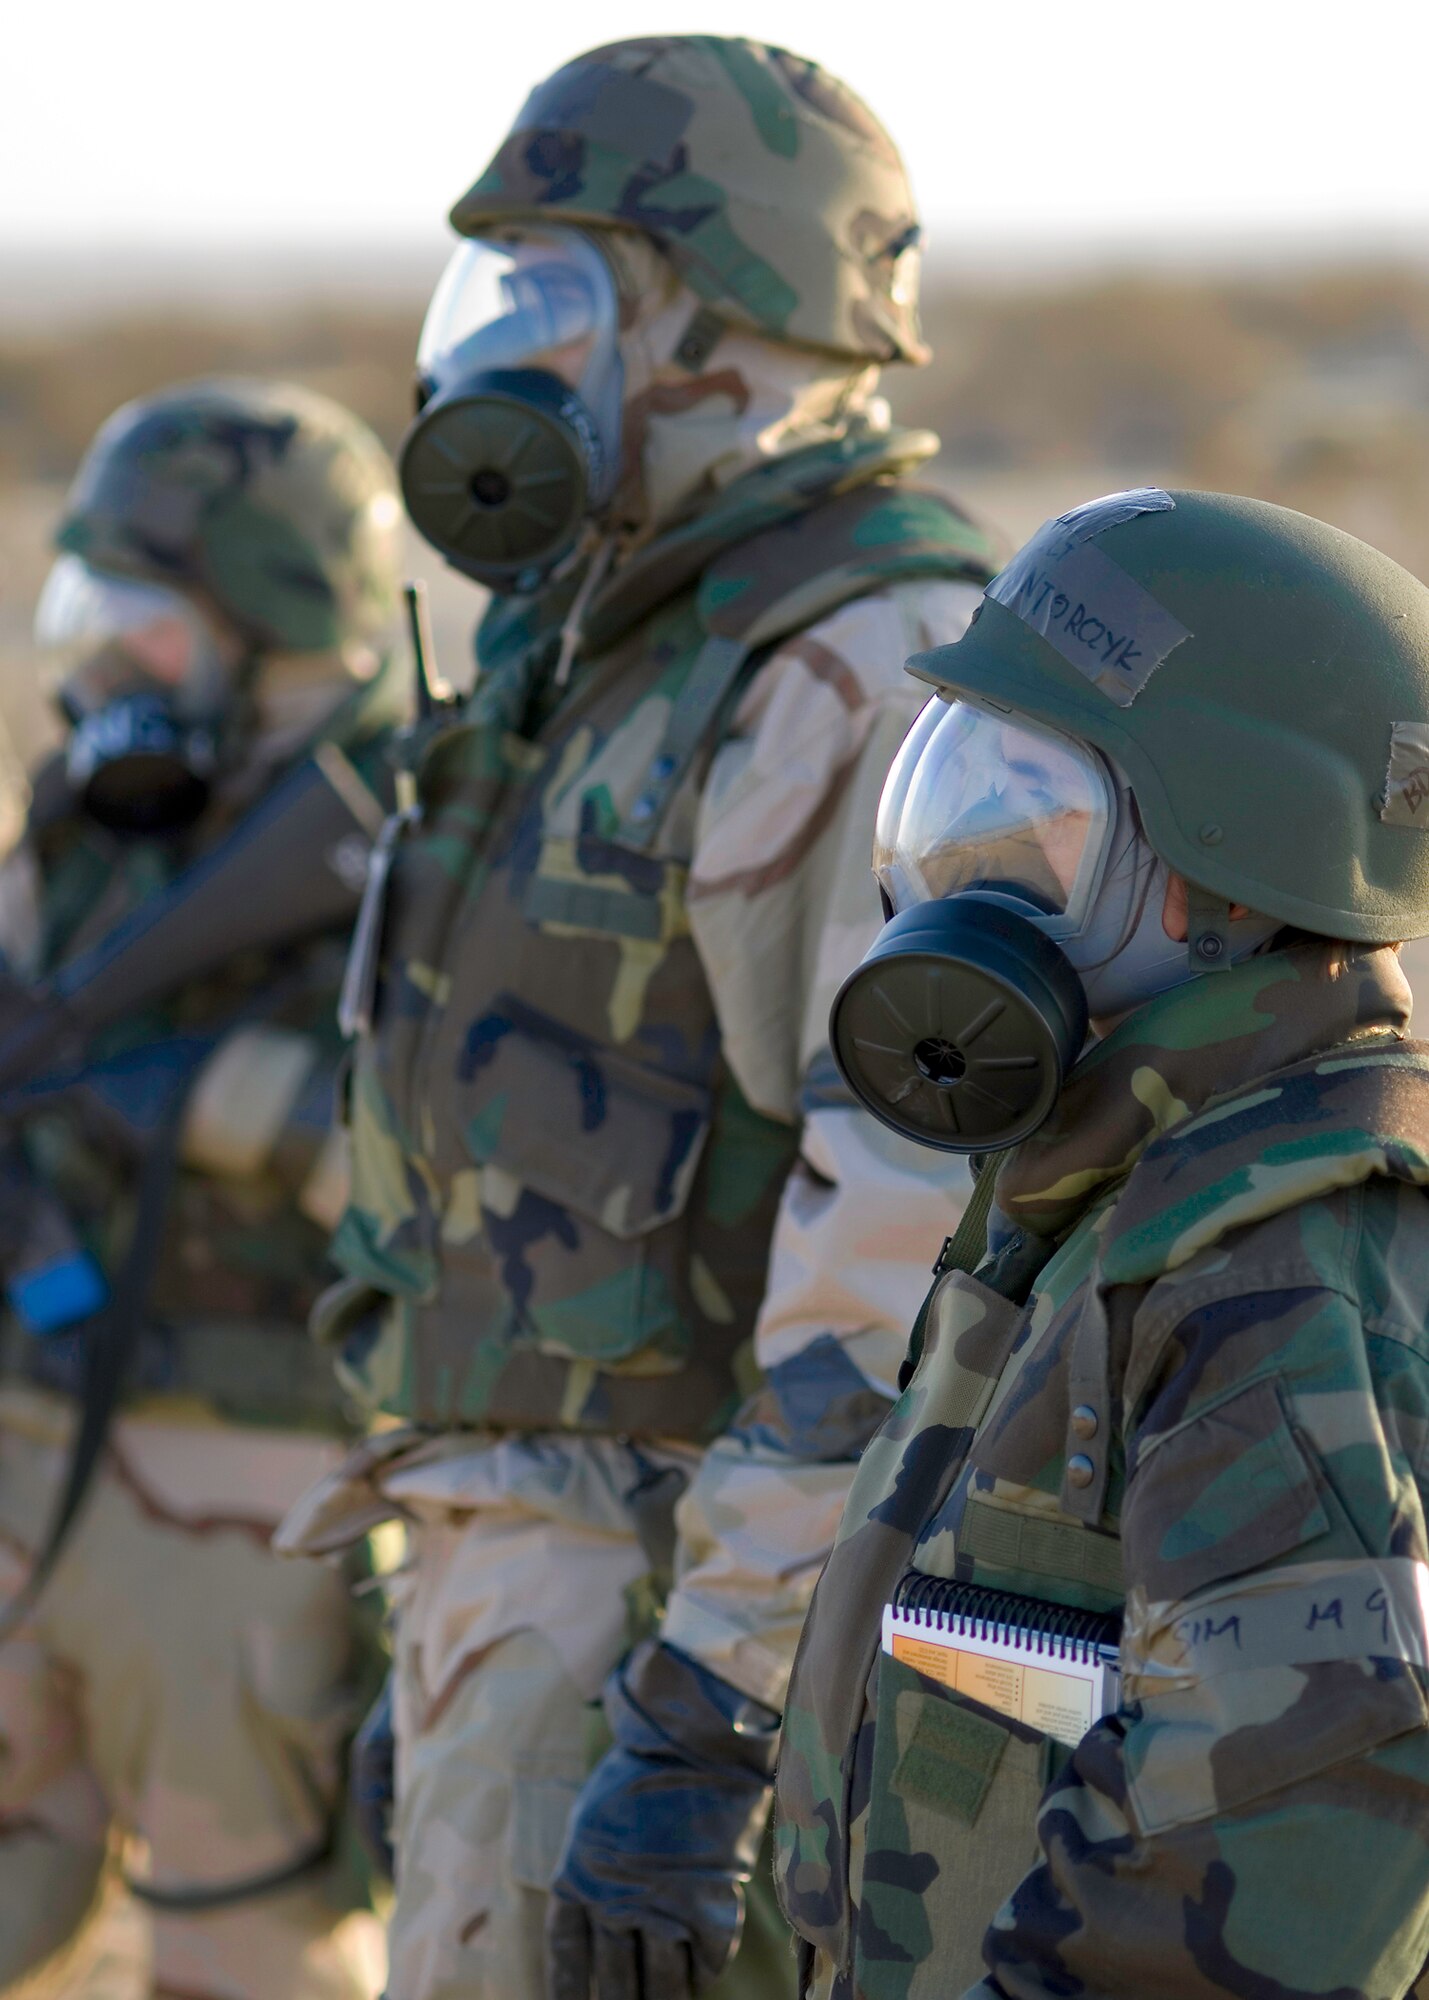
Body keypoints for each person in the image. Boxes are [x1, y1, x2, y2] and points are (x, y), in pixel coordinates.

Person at [273, 34, 1003, 2000]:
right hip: (541, 1587)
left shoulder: (854, 664)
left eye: (559, 294)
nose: (499, 351)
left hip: (683, 1610)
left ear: (727, 322)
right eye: (493, 292)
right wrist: (462, 1629)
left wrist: (708, 1719)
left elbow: (903, 1262)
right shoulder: (604, 642)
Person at [774, 485, 1429, 1999]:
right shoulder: (1103, 1183)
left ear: (1222, 872)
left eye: (1035, 821)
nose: (957, 876)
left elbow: (1293, 1843)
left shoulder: (1281, 1249)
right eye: (955, 799)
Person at [0, 377, 405, 2000]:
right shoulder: (96, 817)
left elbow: (462, 1188)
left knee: (245, 1960)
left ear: (279, 625)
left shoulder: (415, 849)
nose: (104, 665)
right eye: (91, 613)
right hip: (31, 1443)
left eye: (148, 624)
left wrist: (225, 1105)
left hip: (254, 1491)